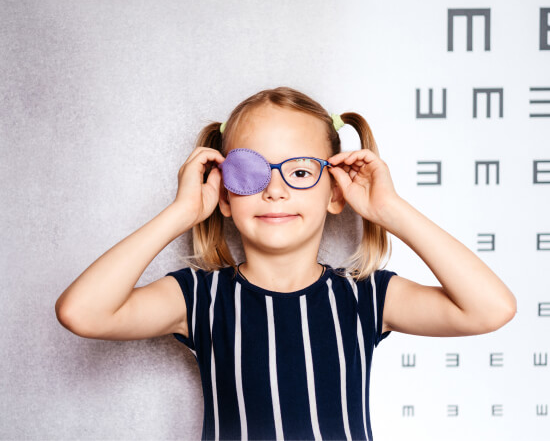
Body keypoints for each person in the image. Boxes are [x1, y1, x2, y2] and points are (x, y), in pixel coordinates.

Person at [55, 86, 517, 441]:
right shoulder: (198, 297)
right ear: (224, 195)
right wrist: (181, 212)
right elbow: (83, 312)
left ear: (334, 191)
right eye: (250, 173)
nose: (275, 189)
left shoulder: (366, 295)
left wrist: (389, 209)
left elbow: (490, 308)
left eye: (299, 172)